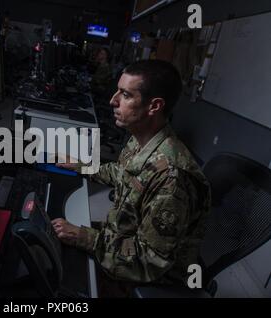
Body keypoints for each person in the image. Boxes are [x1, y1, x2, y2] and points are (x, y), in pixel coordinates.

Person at [51, 60, 211, 297]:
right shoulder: (142, 138)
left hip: (148, 276)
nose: (113, 101)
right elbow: (121, 175)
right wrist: (81, 166)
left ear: (154, 106)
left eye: (125, 95)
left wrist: (84, 237)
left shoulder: (171, 179)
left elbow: (149, 259)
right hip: (123, 237)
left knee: (58, 282)